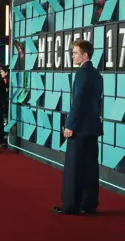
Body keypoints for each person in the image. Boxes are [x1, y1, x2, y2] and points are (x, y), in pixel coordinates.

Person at [52, 40, 103, 215]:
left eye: (75, 52)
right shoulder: (97, 74)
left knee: (73, 168)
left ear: (85, 55)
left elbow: (79, 101)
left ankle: (71, 206)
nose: (72, 55)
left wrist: (70, 124)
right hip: (92, 128)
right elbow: (97, 103)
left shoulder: (82, 73)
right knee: (90, 167)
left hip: (79, 129)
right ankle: (88, 205)